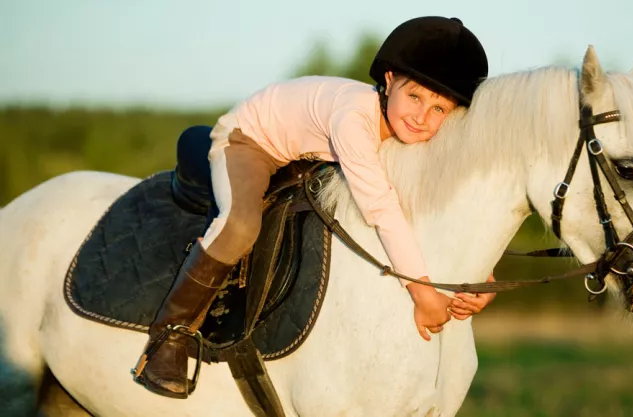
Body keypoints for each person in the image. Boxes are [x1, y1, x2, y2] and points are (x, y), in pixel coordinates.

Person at [133, 15, 495, 399]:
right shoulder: (354, 119)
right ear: (389, 82)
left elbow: (432, 207)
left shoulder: (406, 129)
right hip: (251, 140)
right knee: (240, 225)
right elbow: (383, 209)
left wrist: (483, 278)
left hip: (303, 151)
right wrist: (424, 295)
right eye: (416, 96)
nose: (422, 117)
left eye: (439, 109)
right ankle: (169, 334)